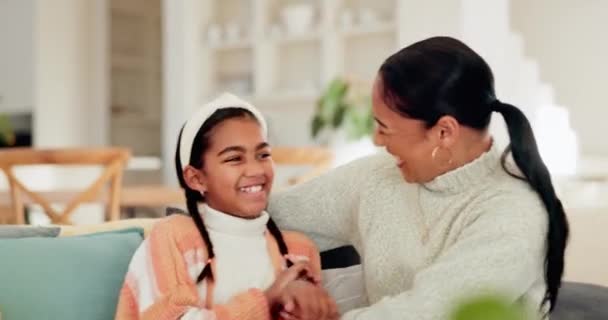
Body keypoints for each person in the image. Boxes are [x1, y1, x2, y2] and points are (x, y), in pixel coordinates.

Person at [269, 36, 569, 319]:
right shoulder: (377, 176)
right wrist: (291, 272)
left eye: (384, 128)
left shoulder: (513, 213)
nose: (376, 140)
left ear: (444, 132)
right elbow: (262, 217)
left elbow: (431, 312)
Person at [115, 93, 338, 320]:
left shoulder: (298, 251)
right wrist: (268, 300)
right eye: (234, 159)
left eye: (263, 154)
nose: (256, 170)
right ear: (196, 178)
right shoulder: (174, 236)